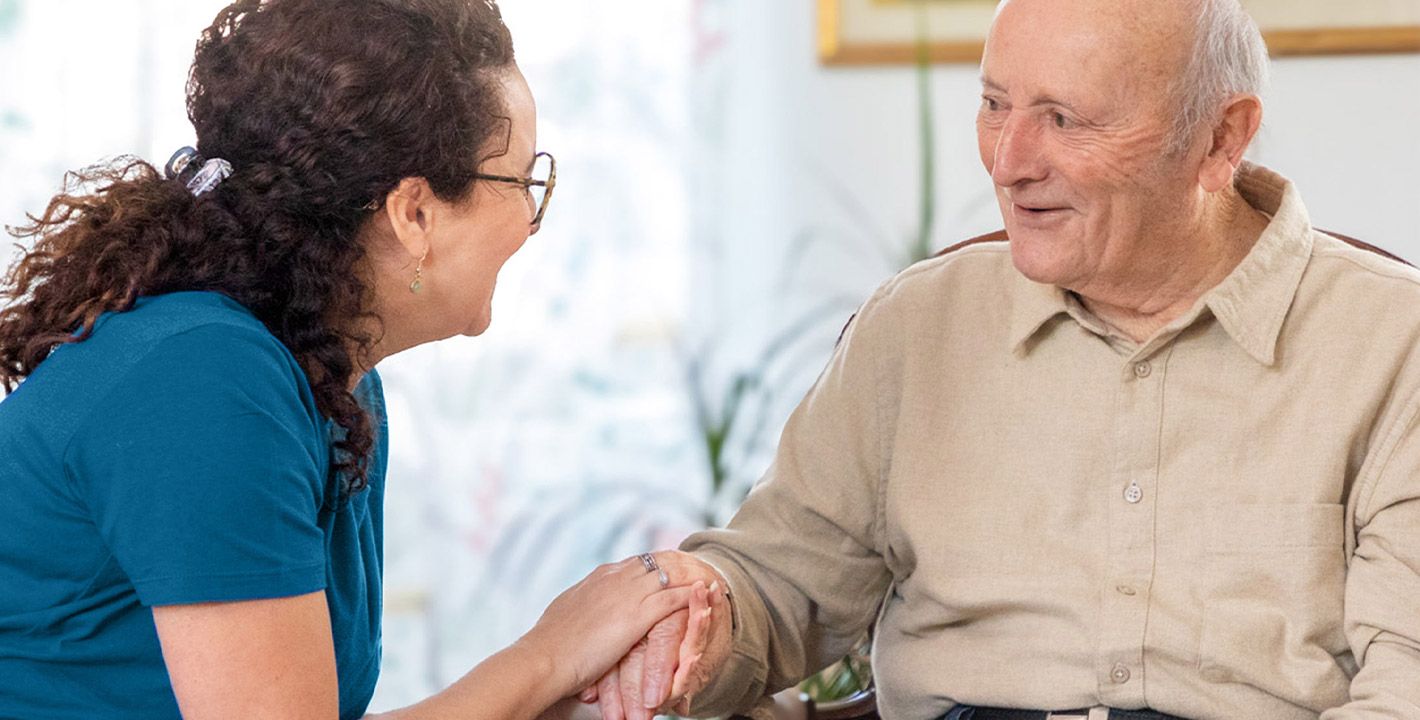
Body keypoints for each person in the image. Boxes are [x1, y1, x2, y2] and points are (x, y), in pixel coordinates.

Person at [592, 0, 1420, 718]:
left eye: (1066, 118)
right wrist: (697, 620)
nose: (1008, 160)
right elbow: (778, 587)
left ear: (1219, 139)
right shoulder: (918, 325)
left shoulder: (1392, 344)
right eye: (995, 104)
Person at [0, 1, 716, 718]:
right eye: (523, 183)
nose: (531, 223)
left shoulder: (332, 379)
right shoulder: (204, 381)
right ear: (415, 213)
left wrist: (597, 685)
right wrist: (554, 653)